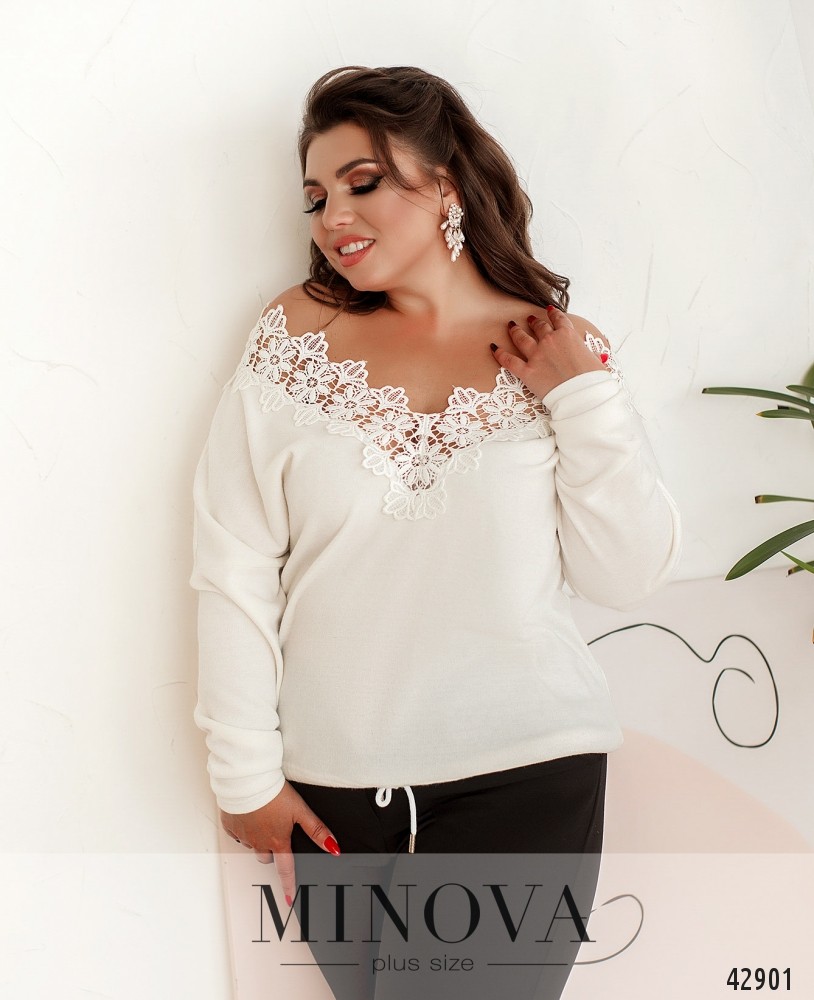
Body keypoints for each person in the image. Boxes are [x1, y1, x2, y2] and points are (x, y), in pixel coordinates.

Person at [189, 65, 682, 999]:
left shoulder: (552, 345)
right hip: (332, 797)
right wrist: (244, 775)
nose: (333, 216)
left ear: (447, 185)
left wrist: (584, 399)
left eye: (363, 182)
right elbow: (235, 562)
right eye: (316, 197)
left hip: (524, 775)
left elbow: (624, 574)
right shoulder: (291, 340)